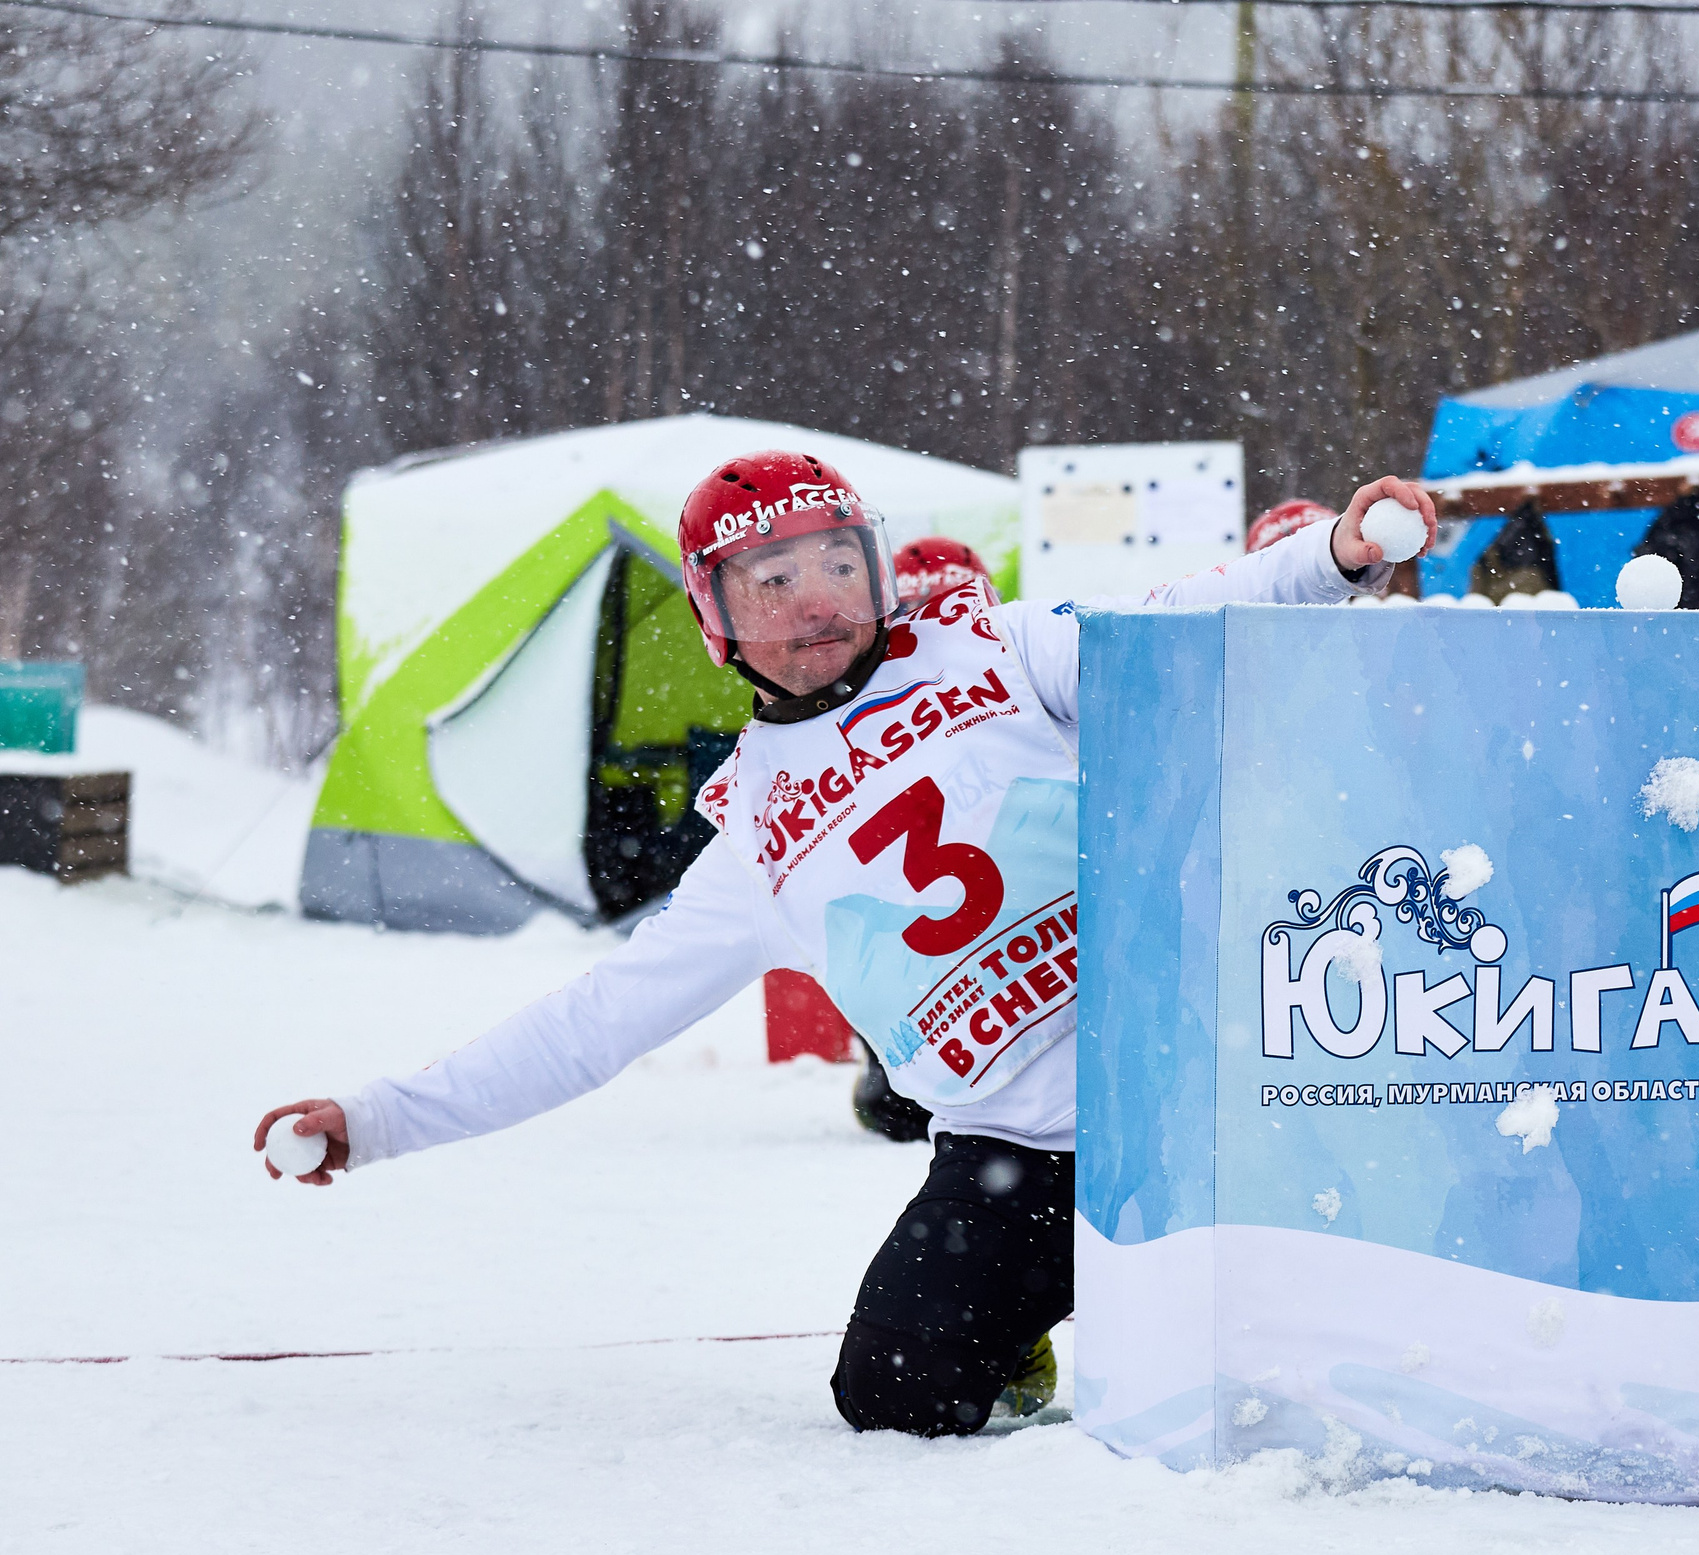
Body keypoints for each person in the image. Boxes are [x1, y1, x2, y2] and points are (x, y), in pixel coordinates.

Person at [253, 448, 1436, 1437]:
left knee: (1313, 1367)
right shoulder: (755, 835)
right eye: (772, 578)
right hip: (1022, 1153)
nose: (816, 599)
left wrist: (1329, 556)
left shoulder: (999, 647)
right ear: (715, 616)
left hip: (1191, 1095)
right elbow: (595, 1022)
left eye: (835, 563)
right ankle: (1037, 1333)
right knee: (891, 1396)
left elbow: (1178, 620)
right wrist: (379, 1119)